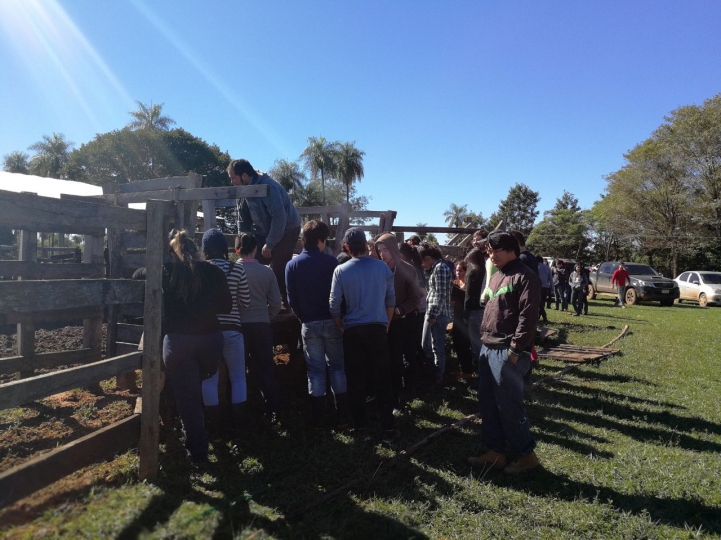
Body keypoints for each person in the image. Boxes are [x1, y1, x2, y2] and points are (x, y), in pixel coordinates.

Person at [467, 231, 541, 474]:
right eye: (489, 251)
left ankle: (526, 455)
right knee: (488, 403)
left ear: (510, 250)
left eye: (495, 251)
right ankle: (495, 452)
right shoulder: (498, 276)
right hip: (488, 349)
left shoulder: (525, 276)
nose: (491, 256)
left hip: (507, 352)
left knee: (509, 406)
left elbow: (528, 318)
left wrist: (515, 351)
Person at [161, 230, 232, 465]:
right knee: (198, 387)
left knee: (188, 400)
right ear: (197, 250)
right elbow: (226, 307)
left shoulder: (167, 272)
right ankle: (212, 430)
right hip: (210, 342)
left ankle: (198, 453)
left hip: (179, 344)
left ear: (173, 253)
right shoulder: (213, 271)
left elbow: (139, 274)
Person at [329, 227, 398, 443]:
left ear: (347, 247)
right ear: (367, 244)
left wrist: (341, 325)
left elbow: (333, 305)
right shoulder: (382, 269)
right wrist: (385, 325)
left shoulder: (341, 270)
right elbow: (390, 300)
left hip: (353, 331)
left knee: (356, 380)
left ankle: (362, 428)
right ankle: (387, 428)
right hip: (377, 328)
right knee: (382, 379)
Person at [285, 220, 348, 429]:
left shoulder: (292, 265)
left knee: (316, 371)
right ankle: (341, 414)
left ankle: (319, 417)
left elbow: (291, 299)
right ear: (320, 240)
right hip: (331, 320)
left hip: (309, 323)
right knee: (337, 368)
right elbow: (340, 295)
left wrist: (303, 317)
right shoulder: (331, 263)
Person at [200, 229, 251, 437]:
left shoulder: (200, 271)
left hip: (207, 333)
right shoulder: (236, 270)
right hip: (233, 331)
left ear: (205, 249)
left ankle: (214, 427)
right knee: (238, 377)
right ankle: (240, 425)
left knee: (209, 379)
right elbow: (245, 303)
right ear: (225, 248)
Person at [228, 159, 301, 301]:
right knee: (253, 259)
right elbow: (243, 220)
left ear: (244, 176)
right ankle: (258, 298)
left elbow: (279, 218)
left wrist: (270, 243)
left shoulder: (268, 187)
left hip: (287, 228)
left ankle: (284, 301)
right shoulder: (242, 192)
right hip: (263, 229)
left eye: (233, 178)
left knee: (279, 267)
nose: (232, 181)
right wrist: (242, 243)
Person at [235, 233, 284, 425]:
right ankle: (273, 409)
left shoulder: (233, 271)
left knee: (239, 370)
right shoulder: (266, 272)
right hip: (261, 325)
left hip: (239, 325)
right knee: (265, 367)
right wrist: (267, 317)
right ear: (256, 249)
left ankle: (243, 409)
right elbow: (276, 302)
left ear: (236, 250)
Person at [374, 233, 424, 409]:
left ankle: (399, 396)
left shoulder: (408, 270)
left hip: (400, 321)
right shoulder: (377, 269)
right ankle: (381, 395)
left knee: (398, 359)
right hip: (379, 322)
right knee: (381, 360)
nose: (382, 254)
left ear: (393, 249)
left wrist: (399, 310)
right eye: (379, 250)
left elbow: (415, 298)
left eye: (385, 249)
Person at [419, 245, 453, 389]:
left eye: (423, 261)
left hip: (438, 313)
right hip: (434, 312)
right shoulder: (437, 268)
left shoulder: (440, 269)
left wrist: (433, 314)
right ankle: (432, 373)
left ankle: (438, 378)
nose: (422, 265)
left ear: (427, 258)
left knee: (436, 346)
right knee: (427, 345)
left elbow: (439, 294)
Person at [451, 260, 473, 376]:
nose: (458, 273)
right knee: (457, 343)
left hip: (465, 319)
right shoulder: (456, 284)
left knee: (464, 344)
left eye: (461, 270)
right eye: (457, 270)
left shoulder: (468, 287)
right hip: (457, 318)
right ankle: (463, 369)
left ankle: (467, 370)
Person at [464, 248, 487, 364]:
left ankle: (480, 368)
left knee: (475, 342)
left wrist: (465, 312)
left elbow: (469, 294)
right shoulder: (485, 272)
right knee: (482, 340)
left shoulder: (472, 272)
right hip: (483, 309)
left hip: (473, 310)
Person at [536, 255, 552, 324]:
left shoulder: (536, 267)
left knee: (539, 304)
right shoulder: (547, 268)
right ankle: (538, 317)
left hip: (538, 287)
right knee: (542, 303)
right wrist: (552, 288)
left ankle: (545, 318)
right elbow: (550, 279)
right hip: (546, 288)